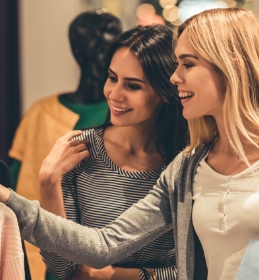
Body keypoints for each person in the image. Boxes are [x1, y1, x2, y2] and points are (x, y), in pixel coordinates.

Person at [0, 8, 259, 280]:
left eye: (187, 64)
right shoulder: (188, 167)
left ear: (228, 64)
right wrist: (11, 199)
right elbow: (103, 244)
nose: (175, 77)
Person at [38, 24, 187, 280]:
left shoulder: (187, 162)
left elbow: (200, 267)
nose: (114, 94)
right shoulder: (81, 151)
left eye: (133, 86)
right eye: (112, 77)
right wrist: (48, 181)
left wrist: (124, 276)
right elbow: (62, 268)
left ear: (165, 91)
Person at [8, 11, 122, 280]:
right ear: (77, 51)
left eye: (109, 47)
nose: (101, 57)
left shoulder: (124, 115)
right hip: (38, 253)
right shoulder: (40, 113)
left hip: (102, 261)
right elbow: (16, 183)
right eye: (93, 47)